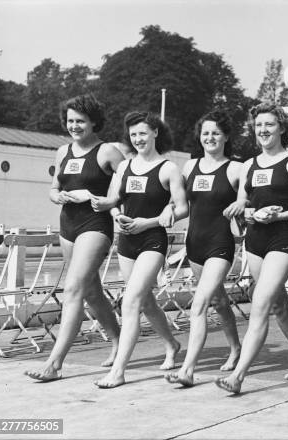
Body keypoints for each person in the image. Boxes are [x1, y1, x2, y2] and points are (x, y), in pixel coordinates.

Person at [215, 103, 288, 394]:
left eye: (269, 125)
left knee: (260, 304)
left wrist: (283, 215)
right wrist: (242, 208)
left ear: (282, 128)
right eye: (259, 125)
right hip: (255, 240)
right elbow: (245, 202)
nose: (263, 130)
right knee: (277, 303)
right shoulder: (249, 165)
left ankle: (238, 376)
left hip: (282, 239)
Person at [25, 94, 122, 382]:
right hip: (68, 225)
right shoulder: (61, 151)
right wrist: (59, 196)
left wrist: (102, 200)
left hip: (96, 225)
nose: (74, 126)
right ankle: (119, 341)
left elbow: (130, 186)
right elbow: (53, 188)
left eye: (80, 121)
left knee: (73, 290)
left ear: (94, 122)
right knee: (91, 291)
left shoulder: (108, 152)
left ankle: (54, 364)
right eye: (70, 121)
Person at [93, 111, 189, 388]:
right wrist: (113, 214)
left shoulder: (168, 168)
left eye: (143, 133)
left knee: (131, 301)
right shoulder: (124, 167)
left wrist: (148, 222)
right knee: (145, 301)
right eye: (133, 134)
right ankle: (172, 344)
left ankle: (119, 371)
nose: (138, 139)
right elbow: (113, 200)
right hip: (126, 241)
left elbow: (181, 208)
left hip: (152, 241)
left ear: (155, 133)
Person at [164, 111, 242, 387]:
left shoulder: (236, 169)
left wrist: (242, 207)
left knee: (199, 304)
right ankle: (235, 348)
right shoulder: (189, 166)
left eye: (216, 133)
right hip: (194, 243)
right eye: (206, 133)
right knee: (219, 301)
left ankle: (187, 369)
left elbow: (248, 200)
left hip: (220, 245)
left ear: (226, 136)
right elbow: (178, 201)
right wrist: (167, 209)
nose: (210, 137)